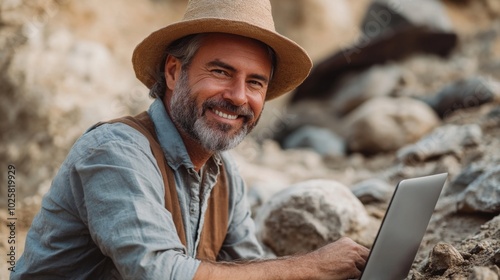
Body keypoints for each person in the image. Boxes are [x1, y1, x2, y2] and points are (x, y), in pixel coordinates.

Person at [12, 0, 370, 279]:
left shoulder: (225, 176)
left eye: (255, 82)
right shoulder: (116, 152)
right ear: (173, 72)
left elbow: (251, 270)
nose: (238, 96)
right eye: (220, 72)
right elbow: (158, 273)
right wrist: (311, 267)